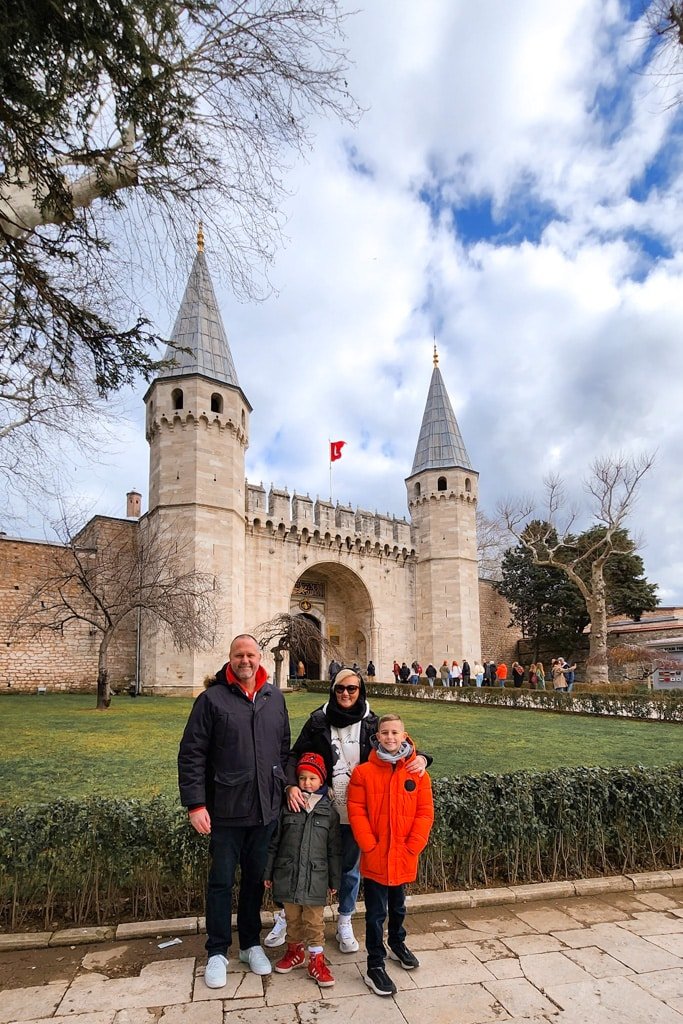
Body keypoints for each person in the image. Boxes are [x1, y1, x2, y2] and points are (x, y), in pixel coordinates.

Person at [281, 669, 429, 955]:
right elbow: (295, 754)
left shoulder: (372, 721)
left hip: (358, 813)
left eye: (352, 688)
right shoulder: (318, 720)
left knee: (350, 869)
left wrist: (422, 758)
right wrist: (290, 785)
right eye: (340, 689)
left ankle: (345, 919)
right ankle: (292, 921)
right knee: (306, 863)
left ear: (361, 691)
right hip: (320, 811)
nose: (346, 694)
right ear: (332, 690)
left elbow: (395, 745)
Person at [178, 634, 290, 989]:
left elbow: (283, 748)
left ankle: (250, 944)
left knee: (255, 881)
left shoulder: (274, 698)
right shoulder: (211, 700)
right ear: (230, 658)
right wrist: (196, 804)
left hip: (264, 809)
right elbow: (192, 753)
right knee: (221, 882)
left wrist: (282, 786)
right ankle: (216, 951)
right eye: (239, 655)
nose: (245, 660)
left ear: (260, 658)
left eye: (251, 654)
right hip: (226, 810)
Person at [347, 713, 434, 997]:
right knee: (375, 913)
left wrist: (413, 845)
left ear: (404, 736)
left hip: (404, 854)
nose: (390, 737)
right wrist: (369, 844)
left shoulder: (418, 772)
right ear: (377, 737)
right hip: (376, 855)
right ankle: (374, 964)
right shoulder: (363, 773)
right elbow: (356, 810)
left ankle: (397, 942)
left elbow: (424, 812)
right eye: (385, 733)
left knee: (398, 907)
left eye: (395, 733)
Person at [264, 752, 341, 987]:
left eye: (312, 778)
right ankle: (294, 952)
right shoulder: (288, 807)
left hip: (316, 878)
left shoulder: (329, 812)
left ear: (322, 781)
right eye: (302, 778)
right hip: (288, 874)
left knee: (314, 921)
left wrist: (334, 880)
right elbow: (275, 843)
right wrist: (268, 872)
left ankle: (317, 960)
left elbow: (334, 849)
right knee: (292, 918)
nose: (307, 783)